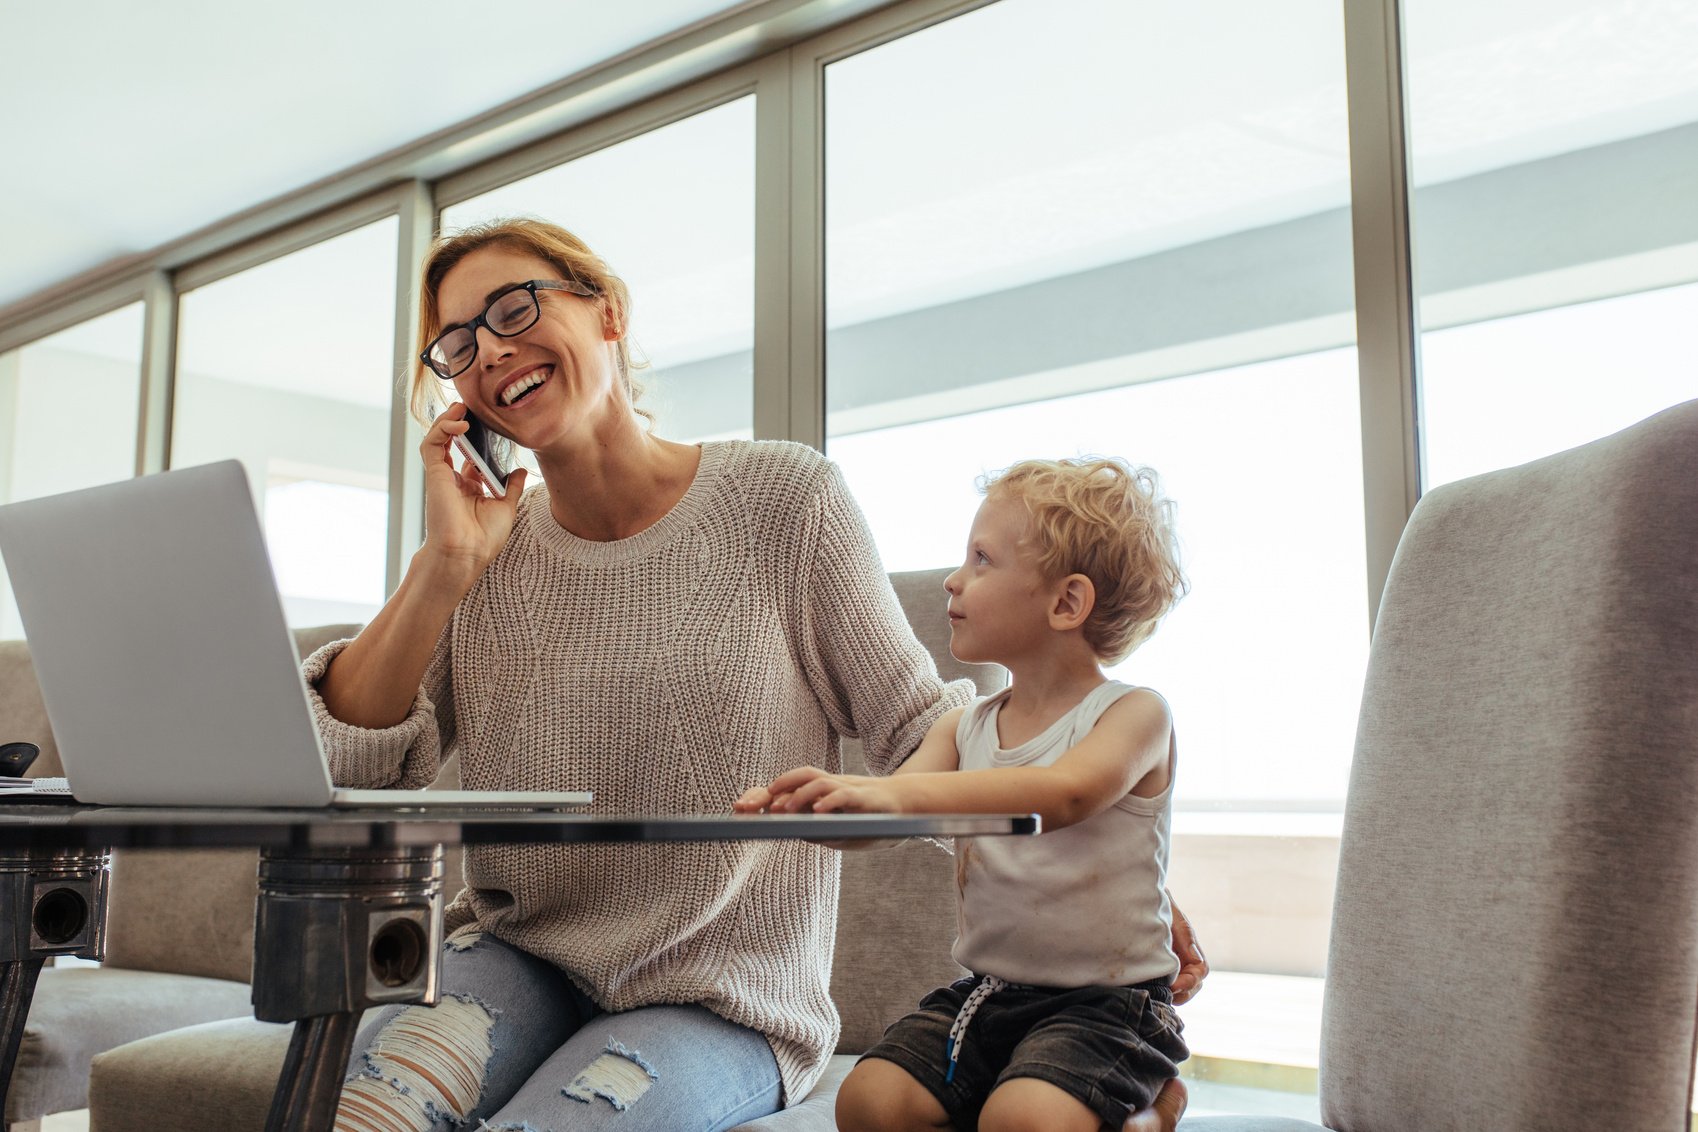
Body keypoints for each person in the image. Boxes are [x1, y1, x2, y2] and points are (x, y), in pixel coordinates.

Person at [308, 216, 1205, 1132]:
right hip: (516, 957)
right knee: (367, 1118)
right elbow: (355, 767)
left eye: (513, 308)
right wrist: (445, 564)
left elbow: (921, 740)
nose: (491, 350)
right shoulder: (485, 552)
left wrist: (1111, 873)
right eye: (458, 344)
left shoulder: (785, 502)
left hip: (723, 999)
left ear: (606, 312)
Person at [738, 456, 1192, 1132]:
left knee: (1025, 1120)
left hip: (1110, 1005)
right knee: (868, 1103)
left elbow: (1060, 796)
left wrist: (887, 796)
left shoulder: (1134, 716)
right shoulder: (964, 725)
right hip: (992, 993)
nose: (954, 579)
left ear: (1067, 603)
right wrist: (815, 812)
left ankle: (1153, 1109)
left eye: (982, 560)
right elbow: (891, 814)